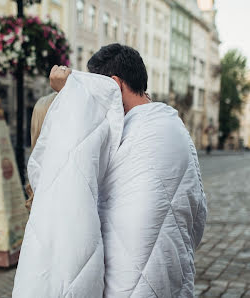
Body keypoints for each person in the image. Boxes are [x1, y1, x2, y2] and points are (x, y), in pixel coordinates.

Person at [14, 44, 207, 297]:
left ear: (114, 85)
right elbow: (198, 215)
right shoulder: (176, 129)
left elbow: (77, 217)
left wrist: (73, 92)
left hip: (123, 286)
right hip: (172, 280)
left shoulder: (121, 137)